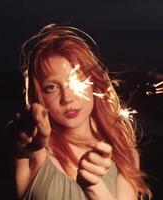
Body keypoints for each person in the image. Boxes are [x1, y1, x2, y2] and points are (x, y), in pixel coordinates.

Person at [13, 23, 151, 200]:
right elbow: (16, 141)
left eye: (76, 82)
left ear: (94, 83)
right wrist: (23, 134)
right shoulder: (35, 151)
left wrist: (93, 186)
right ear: (40, 96)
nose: (67, 98)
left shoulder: (123, 150)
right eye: (52, 87)